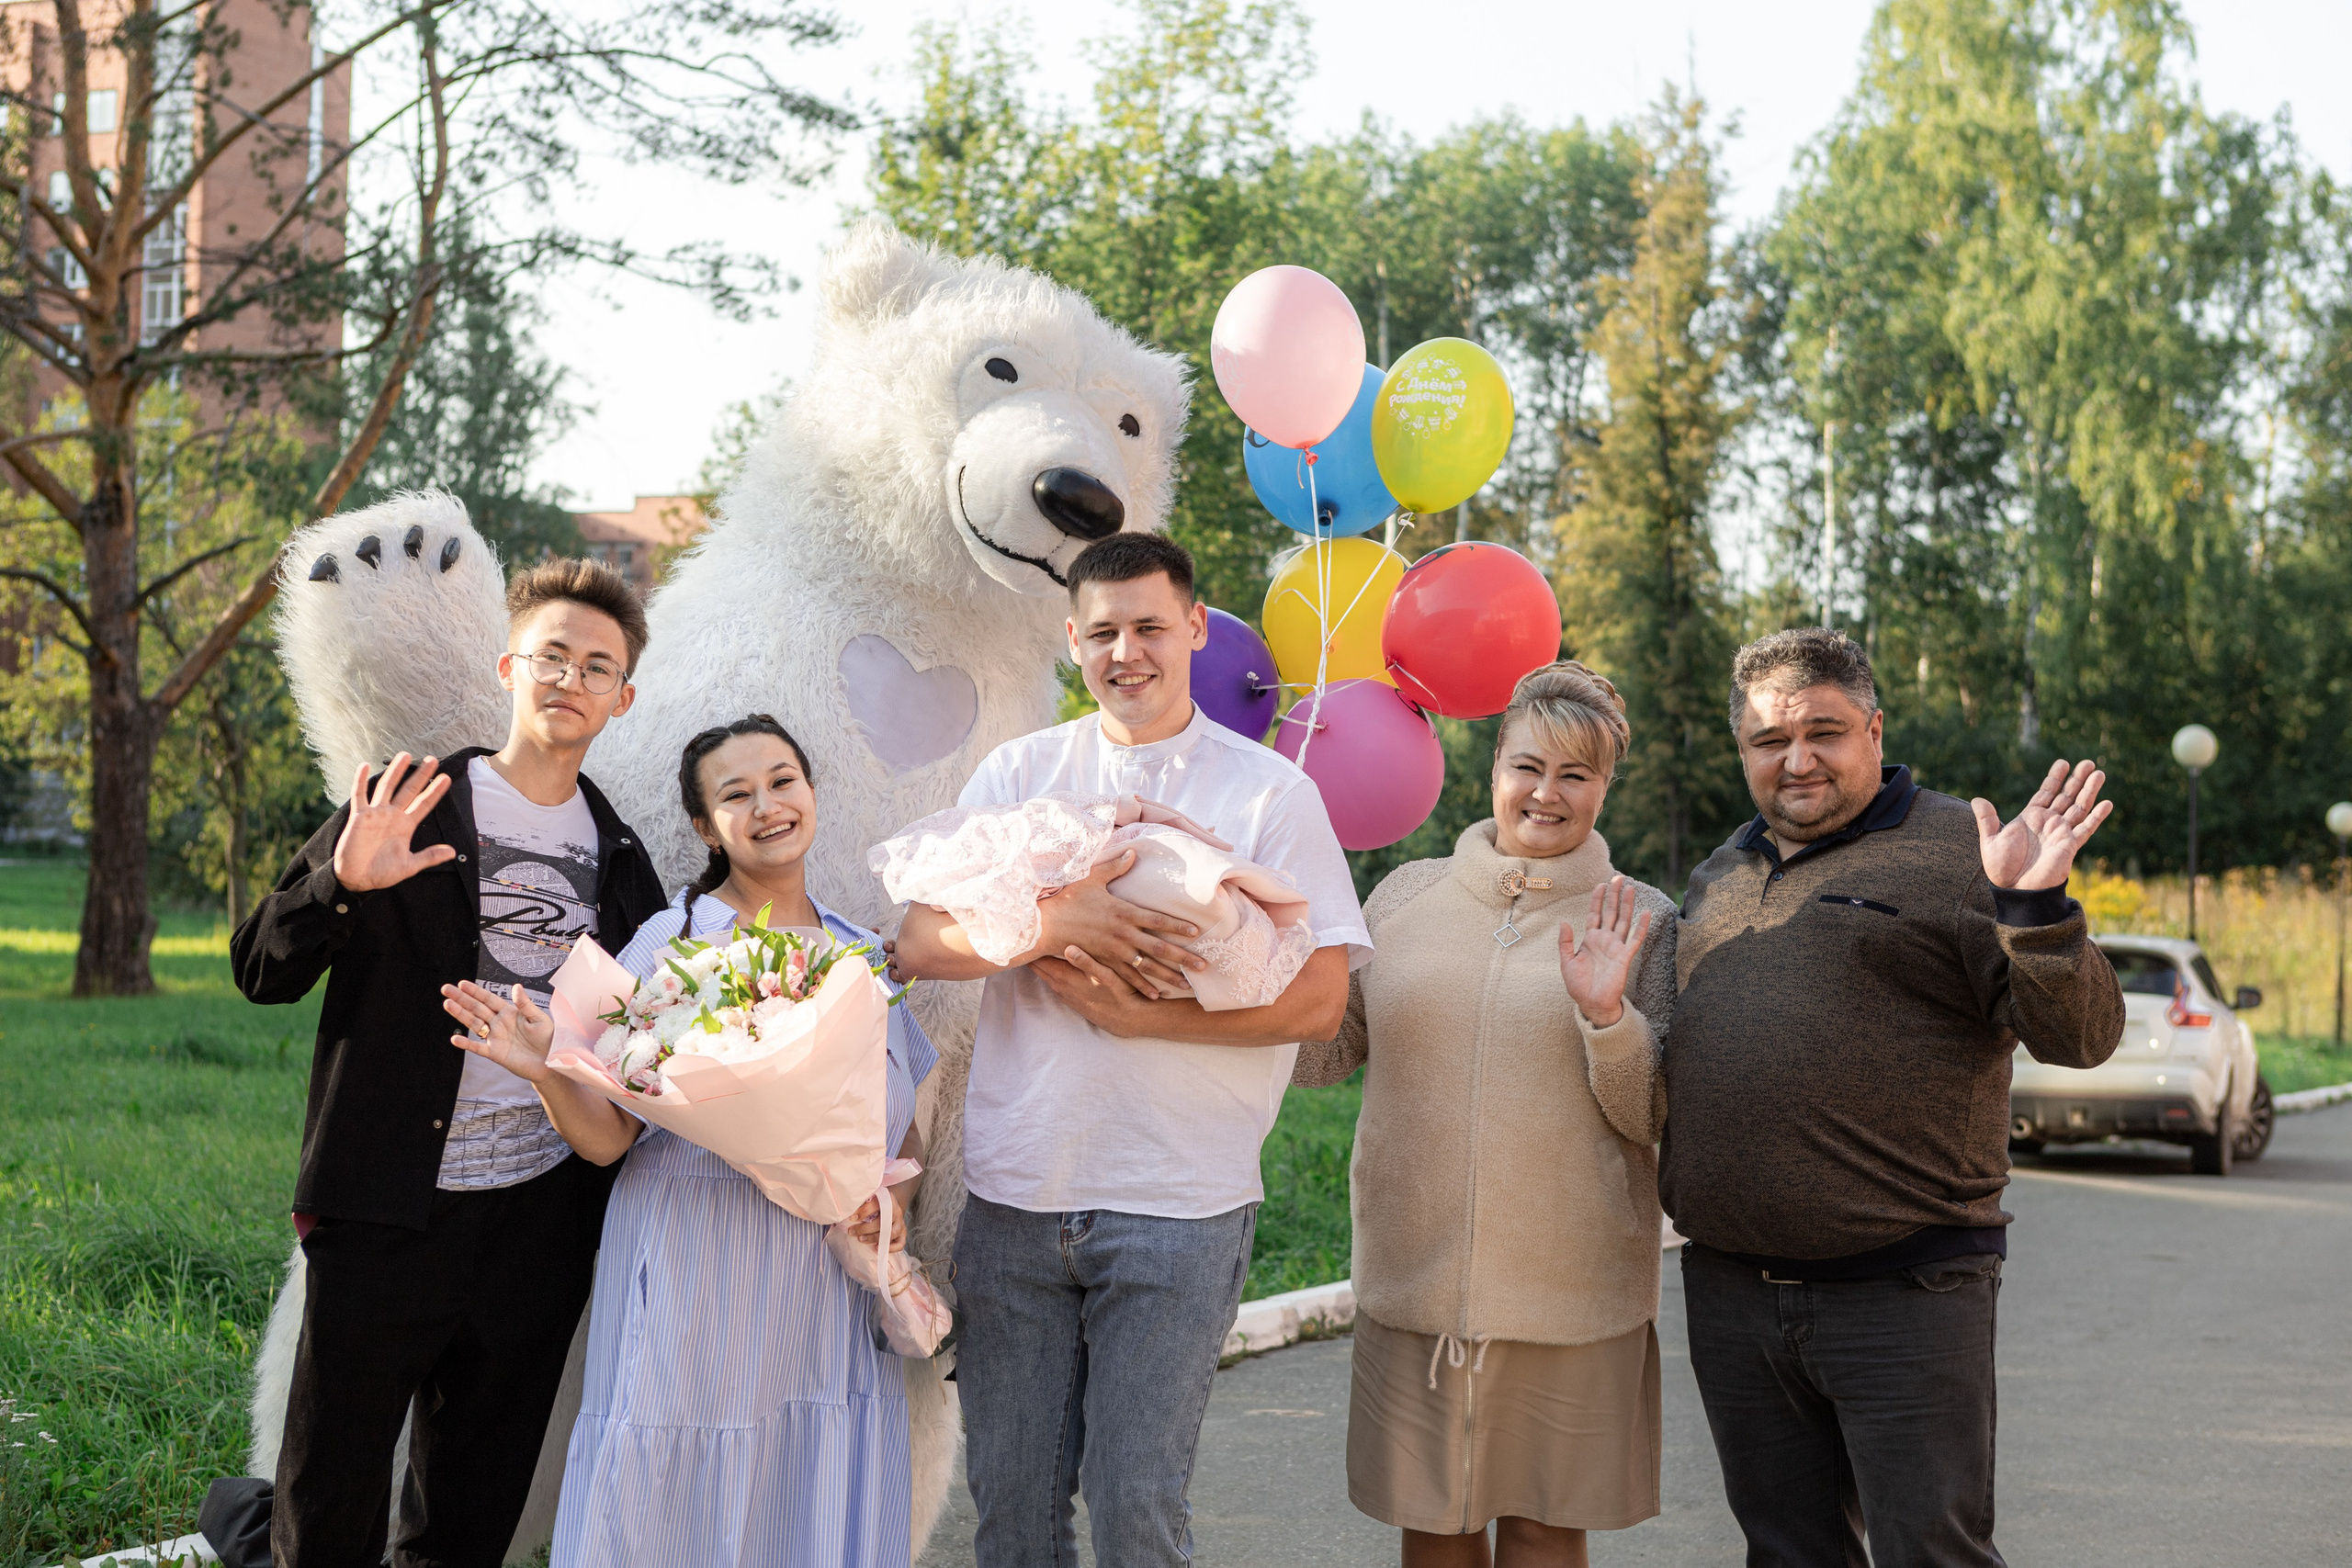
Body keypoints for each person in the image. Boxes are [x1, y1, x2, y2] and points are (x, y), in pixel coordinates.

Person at [891, 532, 1371, 1568]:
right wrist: (1056, 925)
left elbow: (1321, 1002)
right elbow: (921, 942)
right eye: (1102, 632)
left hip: (1180, 1204)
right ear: (1072, 641)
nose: (1126, 652)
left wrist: (1147, 1018)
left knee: (1136, 1511)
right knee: (1013, 1516)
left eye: (1150, 626)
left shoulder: (1268, 795)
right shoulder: (1023, 772)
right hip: (1018, 1197)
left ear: (1195, 629)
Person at [231, 558, 668, 1567]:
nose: (570, 678)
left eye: (596, 666)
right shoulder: (408, 800)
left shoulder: (627, 865)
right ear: (511, 664)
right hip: (386, 1206)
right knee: (328, 1497)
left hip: (535, 1227)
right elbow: (262, 969)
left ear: (622, 698)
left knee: (471, 1509)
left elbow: (629, 1059)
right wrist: (339, 880)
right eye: (552, 655)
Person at [1664, 627, 2125, 1568]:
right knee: (1787, 1552)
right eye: (1767, 741)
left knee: (1930, 1553)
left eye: (1822, 732)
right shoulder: (1720, 872)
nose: (1795, 761)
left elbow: (2082, 1038)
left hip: (1903, 1294)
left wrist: (2032, 911)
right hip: (1732, 1294)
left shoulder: (1967, 849)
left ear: (1874, 730)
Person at [440, 714, 937, 1567]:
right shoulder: (670, 945)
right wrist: (549, 1069)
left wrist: (887, 1205)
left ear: (812, 792)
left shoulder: (864, 954)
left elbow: (903, 1118)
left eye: (783, 780)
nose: (768, 805)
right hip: (694, 1266)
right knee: (674, 1477)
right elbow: (606, 1139)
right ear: (707, 827)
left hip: (818, 1285)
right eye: (736, 794)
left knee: (802, 1482)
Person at [1293, 661, 1677, 1568]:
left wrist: (1606, 1016)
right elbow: (1318, 1057)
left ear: (1604, 788)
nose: (1546, 794)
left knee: (1545, 1532)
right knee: (1435, 1527)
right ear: (1493, 766)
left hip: (1572, 1300)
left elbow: (1651, 1113)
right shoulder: (1403, 898)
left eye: (1575, 775)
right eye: (1528, 766)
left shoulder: (1645, 920)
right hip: (1414, 1287)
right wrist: (1267, 942)